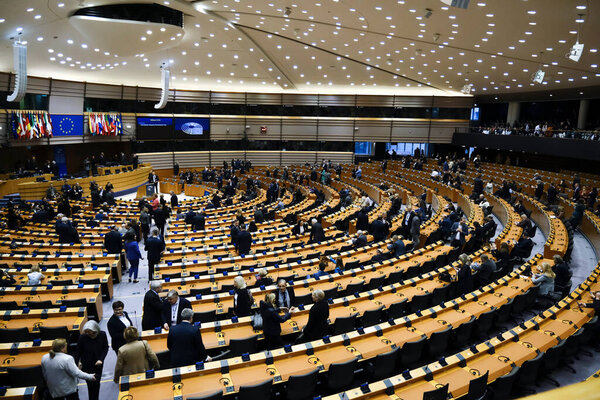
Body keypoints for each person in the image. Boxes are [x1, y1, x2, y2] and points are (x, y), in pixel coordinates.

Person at [75, 321, 108, 400]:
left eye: (91, 333)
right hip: (86, 365)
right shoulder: (82, 337)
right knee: (90, 385)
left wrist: (101, 359)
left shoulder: (102, 334)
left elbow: (105, 348)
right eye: (87, 333)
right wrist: (78, 362)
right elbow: (78, 352)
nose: (89, 335)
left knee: (97, 383)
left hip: (98, 364)